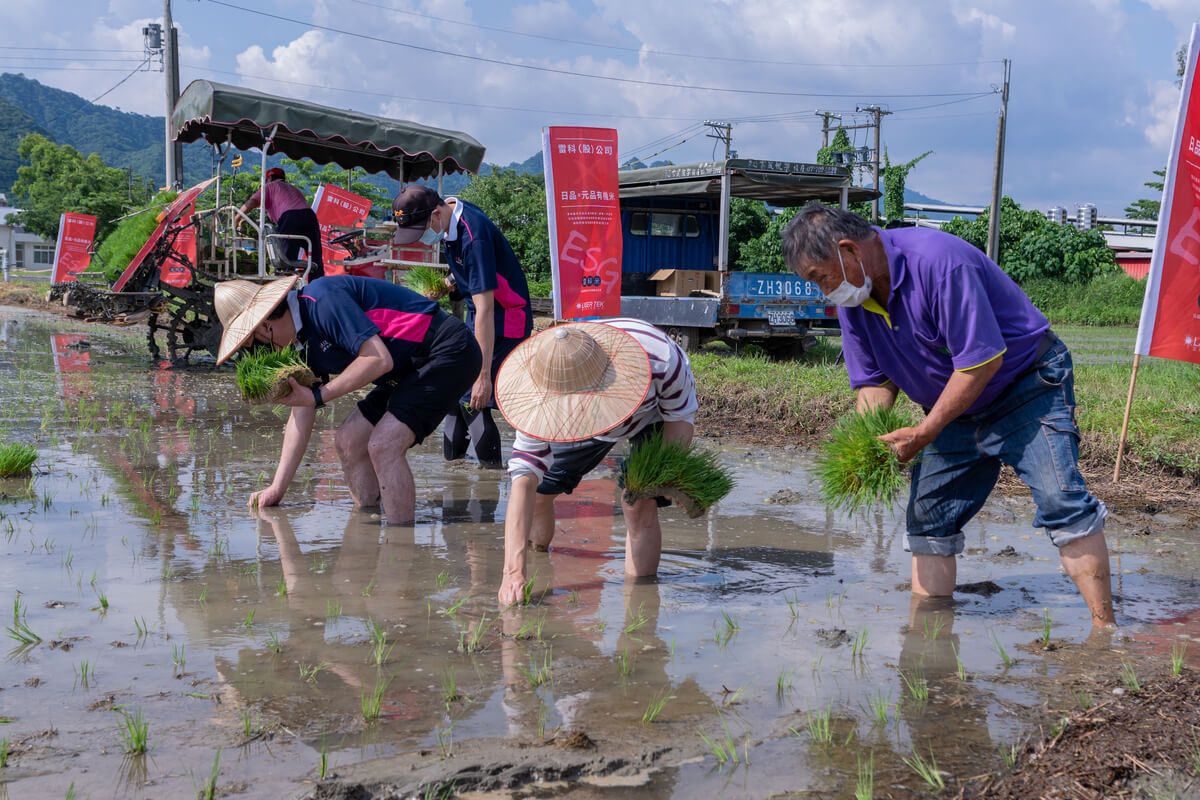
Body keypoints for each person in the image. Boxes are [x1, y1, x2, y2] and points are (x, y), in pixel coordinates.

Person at [782, 203, 1116, 627]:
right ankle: (928, 641)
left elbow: (980, 363)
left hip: (1025, 388)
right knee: (927, 521)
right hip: (950, 406)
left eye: (818, 277)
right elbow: (874, 382)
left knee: (1060, 499)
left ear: (848, 250)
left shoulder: (940, 264)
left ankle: (1106, 631)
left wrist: (924, 431)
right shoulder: (855, 302)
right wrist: (867, 445)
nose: (822, 291)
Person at [213, 274, 481, 523]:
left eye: (257, 344)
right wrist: (277, 488)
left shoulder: (322, 301)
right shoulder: (297, 341)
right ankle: (367, 526)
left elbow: (377, 358)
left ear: (264, 327)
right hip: (404, 368)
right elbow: (302, 411)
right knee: (348, 440)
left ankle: (399, 550)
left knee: (383, 444)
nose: (264, 351)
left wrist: (318, 396)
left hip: (446, 350)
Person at [492, 319, 698, 607]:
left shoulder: (661, 358)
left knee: (637, 502)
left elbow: (679, 420)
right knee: (539, 496)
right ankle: (538, 568)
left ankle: (638, 603)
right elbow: (524, 478)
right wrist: (513, 572)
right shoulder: (536, 394)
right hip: (576, 424)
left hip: (650, 415)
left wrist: (668, 473)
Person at [392, 185, 532, 468]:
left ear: (435, 213)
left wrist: (482, 375)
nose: (423, 237)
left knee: (473, 399)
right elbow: (474, 272)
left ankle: (490, 478)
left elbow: (486, 308)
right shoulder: (449, 220)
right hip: (479, 315)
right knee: (454, 394)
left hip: (504, 318)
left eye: (422, 228)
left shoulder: (472, 235)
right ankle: (453, 469)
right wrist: (446, 285)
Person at [240, 167, 324, 277]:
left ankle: (283, 287)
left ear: (269, 178)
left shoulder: (269, 186)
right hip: (310, 217)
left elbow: (253, 202)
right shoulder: (293, 188)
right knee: (315, 259)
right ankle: (316, 288)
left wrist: (237, 217)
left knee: (286, 259)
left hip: (291, 217)